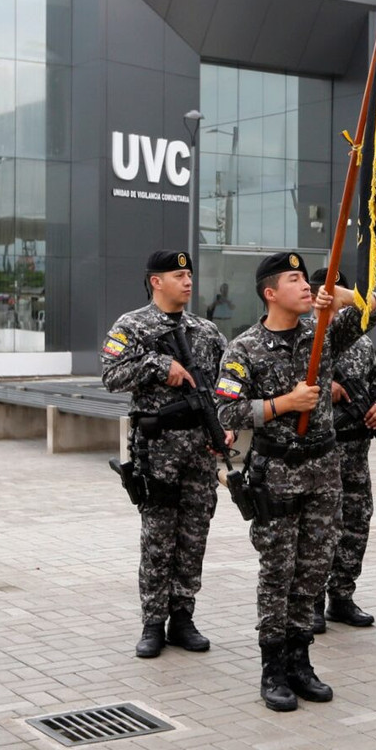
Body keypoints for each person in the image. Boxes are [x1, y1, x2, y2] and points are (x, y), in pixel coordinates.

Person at [214, 251, 376, 711]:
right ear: (270, 292)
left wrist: (344, 297)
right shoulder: (244, 347)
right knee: (278, 572)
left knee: (313, 567)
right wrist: (282, 404)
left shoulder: (322, 334)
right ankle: (273, 668)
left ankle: (301, 662)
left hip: (324, 470)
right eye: (295, 279)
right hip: (277, 473)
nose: (305, 285)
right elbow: (227, 411)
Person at [101, 249, 229, 659]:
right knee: (158, 537)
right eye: (178, 275)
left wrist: (224, 426)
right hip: (157, 451)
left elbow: (225, 387)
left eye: (190, 274)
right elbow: (111, 375)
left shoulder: (207, 331)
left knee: (194, 535)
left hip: (200, 451)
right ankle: (153, 622)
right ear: (156, 281)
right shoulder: (132, 326)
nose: (188, 281)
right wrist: (159, 364)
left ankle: (183, 617)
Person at [315, 267, 376, 631]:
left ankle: (341, 596)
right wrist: (320, 385)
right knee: (319, 528)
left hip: (356, 453)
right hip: (319, 452)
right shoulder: (304, 337)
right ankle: (311, 601)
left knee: (356, 523)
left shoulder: (360, 343)